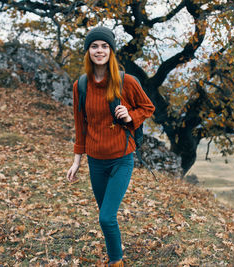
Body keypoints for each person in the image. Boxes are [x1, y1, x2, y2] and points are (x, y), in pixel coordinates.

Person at [67, 26, 155, 266]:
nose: (99, 50)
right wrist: (77, 160)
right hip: (96, 161)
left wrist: (129, 117)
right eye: (94, 46)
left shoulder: (126, 82)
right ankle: (115, 255)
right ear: (88, 51)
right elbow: (80, 124)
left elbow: (148, 108)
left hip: (121, 159)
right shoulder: (81, 86)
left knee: (106, 218)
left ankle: (116, 262)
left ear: (111, 51)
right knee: (105, 216)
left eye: (104, 46)